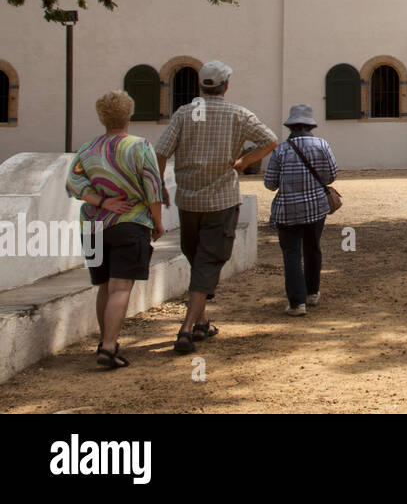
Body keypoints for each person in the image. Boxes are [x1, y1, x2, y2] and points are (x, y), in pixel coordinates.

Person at [155, 60, 277, 354]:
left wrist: (159, 185)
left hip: (189, 200)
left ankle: (201, 322)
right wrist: (245, 162)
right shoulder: (238, 114)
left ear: (201, 85)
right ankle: (186, 328)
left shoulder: (185, 113)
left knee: (197, 258)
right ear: (226, 86)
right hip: (221, 200)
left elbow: (159, 152)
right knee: (208, 261)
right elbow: (271, 140)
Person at [65, 90, 165, 369]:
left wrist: (103, 201)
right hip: (129, 223)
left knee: (104, 286)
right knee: (121, 288)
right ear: (129, 115)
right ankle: (109, 347)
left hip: (93, 227)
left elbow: (74, 184)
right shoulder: (139, 146)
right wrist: (157, 222)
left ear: (102, 117)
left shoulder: (87, 148)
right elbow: (153, 189)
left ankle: (104, 342)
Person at [263, 104, 338, 316]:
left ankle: (297, 303)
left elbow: (270, 184)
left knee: (291, 254)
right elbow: (331, 175)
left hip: (288, 210)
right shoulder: (322, 145)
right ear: (310, 126)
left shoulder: (281, 150)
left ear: (292, 127)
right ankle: (312, 292)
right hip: (316, 207)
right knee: (313, 248)